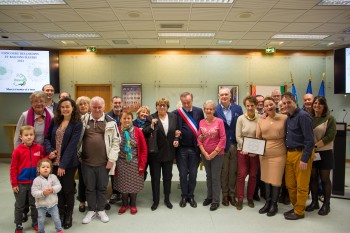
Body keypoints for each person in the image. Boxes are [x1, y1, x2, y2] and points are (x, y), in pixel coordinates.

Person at [13, 91, 54, 223]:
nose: (39, 103)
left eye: (42, 101)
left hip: (41, 154)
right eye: (36, 101)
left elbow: (51, 136)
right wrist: (19, 153)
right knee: (24, 186)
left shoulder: (50, 115)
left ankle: (40, 209)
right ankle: (24, 211)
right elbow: (17, 136)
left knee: (38, 185)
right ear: (32, 103)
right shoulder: (25, 115)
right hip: (25, 154)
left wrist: (48, 156)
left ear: (45, 102)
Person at [79, 96, 120, 224]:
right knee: (89, 188)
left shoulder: (111, 122)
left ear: (104, 107)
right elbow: (77, 139)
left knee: (102, 188)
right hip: (86, 162)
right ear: (90, 107)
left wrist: (112, 159)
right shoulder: (82, 120)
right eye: (94, 107)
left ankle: (101, 210)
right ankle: (91, 210)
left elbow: (116, 142)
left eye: (99, 107)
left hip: (104, 162)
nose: (97, 110)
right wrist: (78, 156)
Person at [44, 97, 83, 229]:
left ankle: (68, 215)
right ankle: (60, 213)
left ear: (73, 108)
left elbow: (73, 145)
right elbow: (47, 138)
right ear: (59, 109)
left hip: (68, 164)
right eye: (63, 107)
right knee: (57, 190)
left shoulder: (77, 123)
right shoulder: (55, 121)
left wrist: (62, 165)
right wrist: (50, 151)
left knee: (68, 190)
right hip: (53, 162)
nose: (65, 109)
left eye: (68, 106)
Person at [282, 92, 315, 220]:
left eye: (288, 102)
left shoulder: (303, 116)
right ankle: (296, 206)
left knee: (302, 185)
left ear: (294, 101)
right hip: (290, 154)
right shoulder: (289, 117)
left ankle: (299, 211)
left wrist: (305, 159)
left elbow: (310, 140)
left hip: (302, 154)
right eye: (284, 103)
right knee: (290, 184)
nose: (286, 105)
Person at [143, 99, 179, 211]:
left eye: (164, 105)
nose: (162, 107)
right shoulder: (151, 117)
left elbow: (177, 131)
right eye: (159, 105)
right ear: (157, 106)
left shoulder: (173, 117)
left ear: (167, 107)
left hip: (169, 153)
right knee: (155, 178)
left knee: (167, 178)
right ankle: (156, 201)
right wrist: (152, 125)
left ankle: (167, 199)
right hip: (155, 154)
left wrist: (177, 138)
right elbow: (145, 131)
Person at [10, 125, 46, 233]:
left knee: (35, 204)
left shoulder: (39, 148)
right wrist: (14, 184)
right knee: (20, 205)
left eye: (31, 135)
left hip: (35, 183)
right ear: (21, 137)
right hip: (20, 183)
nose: (29, 137)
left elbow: (43, 162)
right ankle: (19, 224)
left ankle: (35, 222)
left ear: (34, 136)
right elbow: (13, 168)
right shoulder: (17, 151)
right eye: (26, 135)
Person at [256, 97, 287, 217]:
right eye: (266, 105)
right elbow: (258, 136)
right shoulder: (261, 119)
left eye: (271, 104)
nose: (269, 107)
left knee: (276, 180)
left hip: (279, 153)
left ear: (276, 104)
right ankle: (268, 202)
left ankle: (274, 204)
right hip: (264, 154)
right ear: (263, 107)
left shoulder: (284, 118)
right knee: (266, 179)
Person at [306, 96, 336, 216]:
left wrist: (315, 147)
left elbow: (330, 136)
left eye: (320, 103)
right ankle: (314, 202)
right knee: (312, 178)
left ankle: (326, 204)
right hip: (312, 153)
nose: (316, 105)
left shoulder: (330, 118)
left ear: (324, 106)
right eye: (315, 103)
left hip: (325, 152)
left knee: (324, 179)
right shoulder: (309, 118)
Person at [173, 92, 204, 208]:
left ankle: (191, 196)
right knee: (182, 174)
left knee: (193, 174)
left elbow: (202, 127)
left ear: (192, 100)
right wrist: (175, 134)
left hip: (195, 148)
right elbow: (172, 128)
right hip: (181, 149)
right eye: (184, 102)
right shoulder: (176, 113)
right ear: (181, 102)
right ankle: (183, 196)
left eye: (188, 102)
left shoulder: (199, 111)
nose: (186, 105)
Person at [114, 111, 147, 215]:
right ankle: (124, 204)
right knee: (123, 185)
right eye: (124, 118)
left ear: (132, 119)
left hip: (134, 162)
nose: (127, 120)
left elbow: (144, 149)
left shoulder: (137, 131)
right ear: (120, 120)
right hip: (121, 163)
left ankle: (133, 204)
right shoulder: (117, 130)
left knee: (134, 185)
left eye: (129, 118)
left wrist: (142, 165)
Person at [214, 88, 243, 207]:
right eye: (222, 95)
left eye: (226, 94)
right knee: (224, 171)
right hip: (222, 145)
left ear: (230, 96)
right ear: (219, 96)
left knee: (233, 171)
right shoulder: (215, 110)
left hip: (235, 144)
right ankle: (225, 195)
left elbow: (241, 125)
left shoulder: (238, 108)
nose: (224, 96)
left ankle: (232, 195)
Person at [197, 100, 226, 211]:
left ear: (214, 110)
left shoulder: (219, 122)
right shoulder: (201, 122)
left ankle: (215, 200)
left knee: (215, 177)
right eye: (206, 109)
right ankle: (209, 197)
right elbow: (199, 138)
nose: (208, 111)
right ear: (204, 110)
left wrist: (214, 153)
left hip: (217, 155)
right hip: (205, 154)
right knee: (208, 177)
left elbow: (223, 139)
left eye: (211, 109)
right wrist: (204, 153)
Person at [235, 96, 259, 210]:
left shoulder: (260, 118)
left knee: (253, 175)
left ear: (255, 105)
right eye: (248, 105)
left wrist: (255, 150)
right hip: (242, 151)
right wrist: (245, 147)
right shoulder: (240, 118)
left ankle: (250, 197)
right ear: (245, 106)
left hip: (255, 152)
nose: (250, 108)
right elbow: (238, 136)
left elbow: (261, 136)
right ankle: (240, 198)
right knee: (241, 175)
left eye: (252, 105)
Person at [31, 158, 63, 233]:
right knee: (41, 219)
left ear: (50, 169)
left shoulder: (53, 177)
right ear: (38, 169)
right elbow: (34, 192)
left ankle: (59, 230)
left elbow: (59, 186)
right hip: (41, 205)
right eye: (43, 167)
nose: (45, 168)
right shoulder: (36, 180)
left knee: (56, 218)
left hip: (53, 204)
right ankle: (41, 231)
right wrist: (42, 193)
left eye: (47, 167)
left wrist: (53, 189)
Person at [106, 96, 123, 204]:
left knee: (122, 170)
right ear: (111, 103)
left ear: (122, 103)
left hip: (124, 147)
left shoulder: (125, 115)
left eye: (119, 102)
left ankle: (123, 191)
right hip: (111, 147)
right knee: (113, 170)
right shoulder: (107, 116)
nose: (117, 104)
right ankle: (115, 191)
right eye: (115, 102)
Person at [75, 96, 91, 212]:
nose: (83, 106)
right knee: (82, 179)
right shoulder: (75, 119)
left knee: (94, 179)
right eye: (80, 104)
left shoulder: (94, 117)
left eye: (85, 103)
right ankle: (82, 201)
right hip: (80, 154)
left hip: (94, 154)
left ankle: (93, 200)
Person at [133, 106, 151, 181]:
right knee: (134, 168)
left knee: (143, 168)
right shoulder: (133, 123)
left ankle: (140, 182)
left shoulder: (150, 124)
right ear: (138, 113)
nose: (144, 114)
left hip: (146, 149)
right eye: (143, 112)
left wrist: (142, 131)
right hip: (135, 149)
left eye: (147, 113)